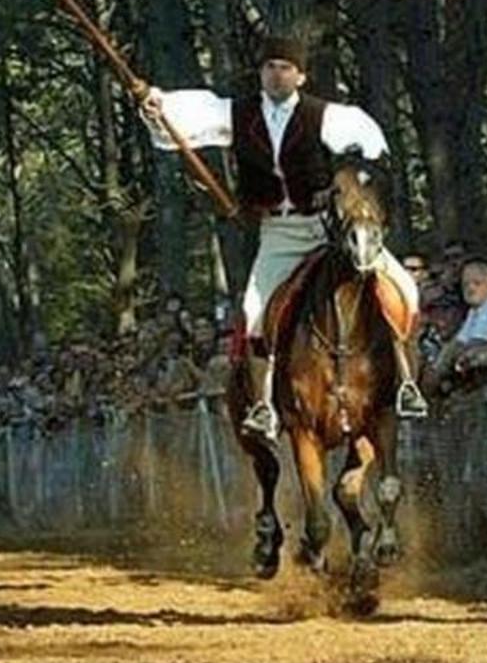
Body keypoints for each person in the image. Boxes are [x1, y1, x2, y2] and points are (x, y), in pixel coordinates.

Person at [140, 35, 426, 442]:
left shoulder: (326, 116)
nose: (278, 75)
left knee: (405, 289)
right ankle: (263, 406)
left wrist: (345, 182)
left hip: (328, 229)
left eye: (286, 68)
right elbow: (188, 117)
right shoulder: (238, 114)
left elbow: (368, 150)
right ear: (261, 73)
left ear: (301, 75)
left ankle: (406, 385)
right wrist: (155, 106)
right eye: (271, 67)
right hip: (279, 233)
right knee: (254, 309)